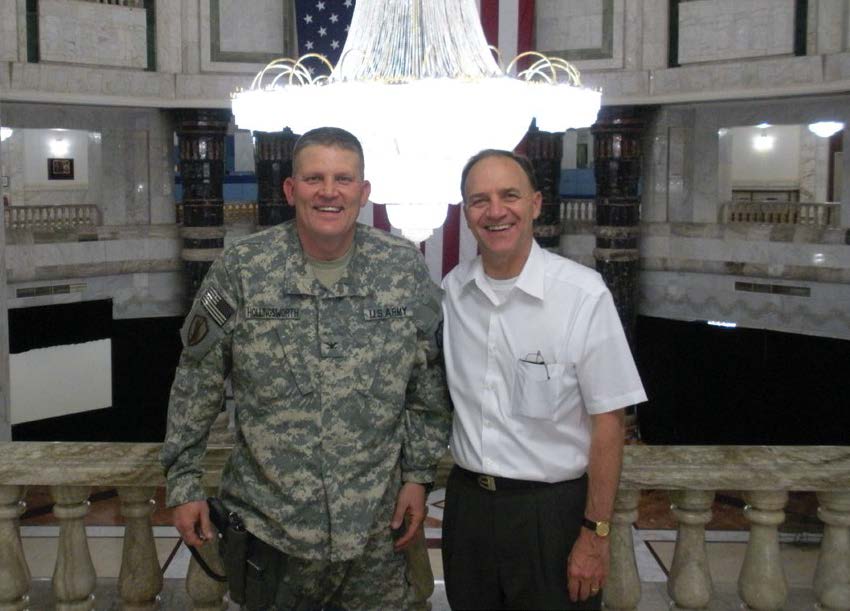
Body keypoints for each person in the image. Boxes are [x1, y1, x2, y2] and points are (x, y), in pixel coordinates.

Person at [161, 127, 451, 610]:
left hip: (375, 535)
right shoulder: (244, 268)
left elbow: (428, 383)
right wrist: (185, 481)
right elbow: (197, 380)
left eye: (343, 178)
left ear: (364, 192)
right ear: (291, 190)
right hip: (271, 533)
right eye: (314, 178)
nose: (329, 191)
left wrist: (419, 475)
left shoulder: (401, 268)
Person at [440, 149, 647, 610]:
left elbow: (610, 424)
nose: (495, 211)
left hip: (551, 515)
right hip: (468, 510)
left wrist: (595, 536)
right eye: (479, 200)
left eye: (509, 195)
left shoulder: (582, 295)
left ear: (535, 204)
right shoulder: (453, 293)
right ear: (467, 213)